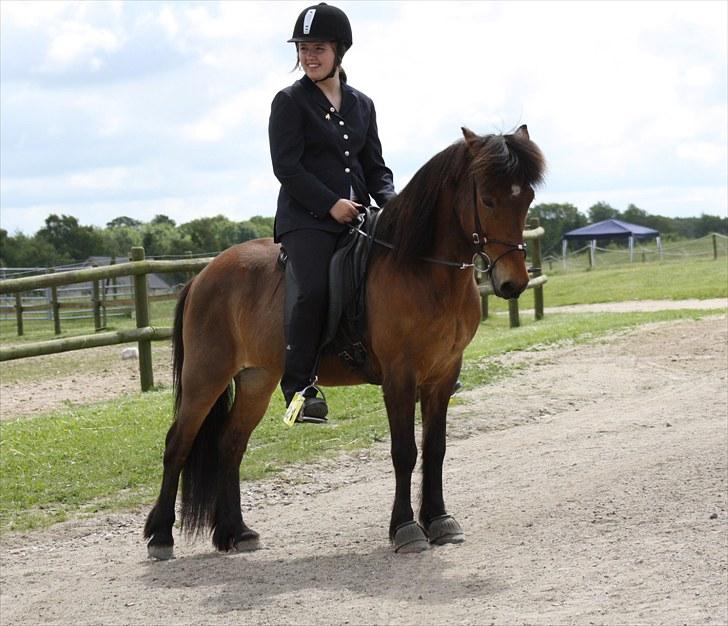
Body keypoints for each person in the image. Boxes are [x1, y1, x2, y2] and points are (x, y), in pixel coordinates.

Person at [269, 2, 396, 424]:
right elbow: (287, 168)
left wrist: (392, 204)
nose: (309, 56)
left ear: (340, 51)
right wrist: (330, 204)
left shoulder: (363, 104)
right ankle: (299, 389)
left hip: (358, 215)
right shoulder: (289, 102)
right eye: (303, 48)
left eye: (317, 48)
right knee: (312, 290)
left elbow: (375, 167)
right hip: (307, 219)